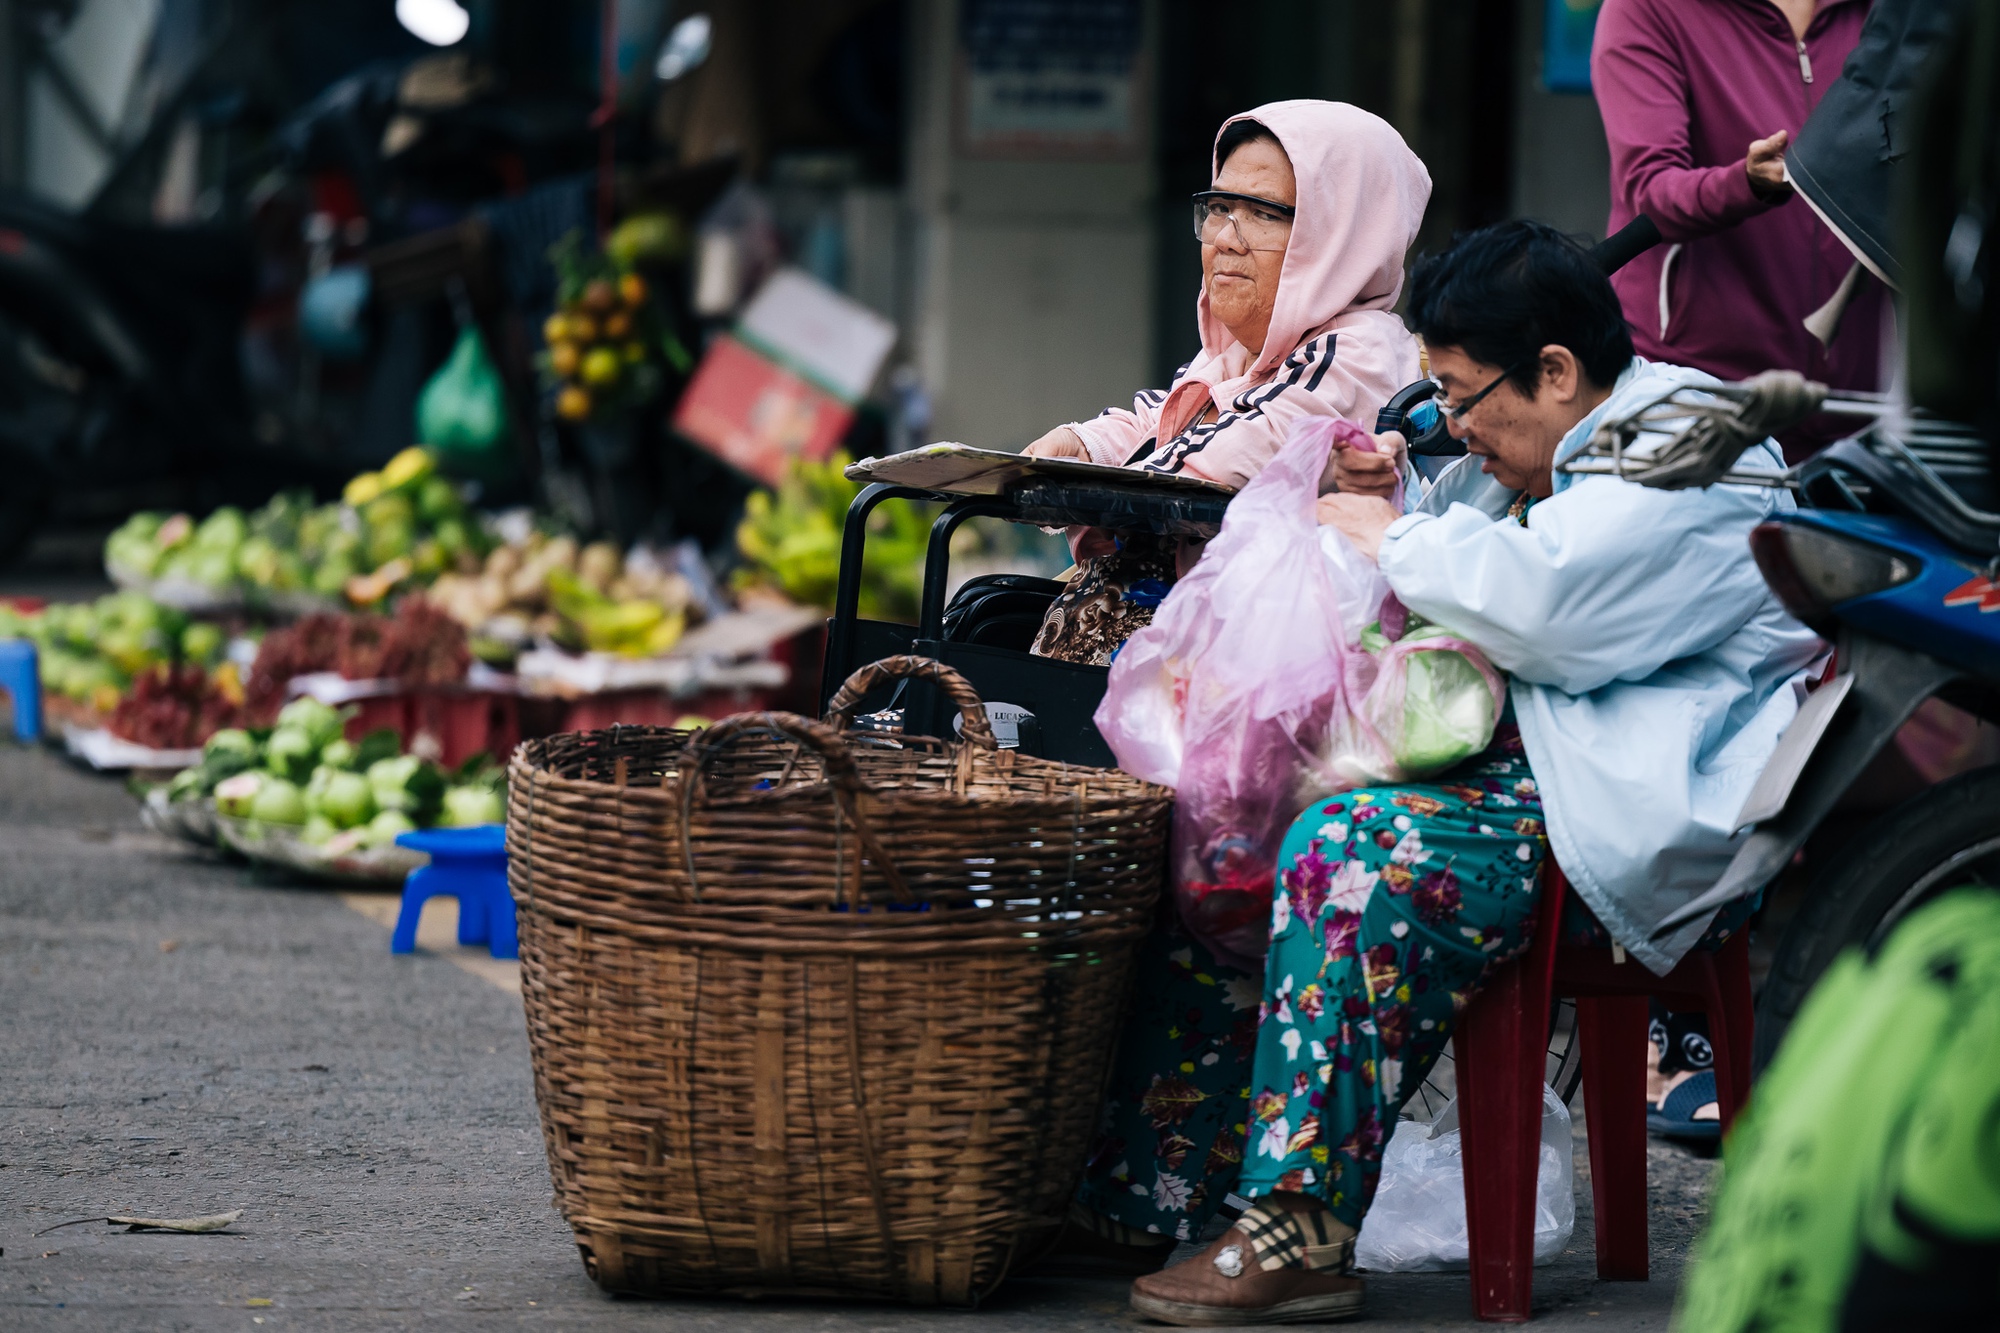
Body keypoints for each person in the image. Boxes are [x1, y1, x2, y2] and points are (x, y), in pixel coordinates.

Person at [1082, 221, 1823, 1325]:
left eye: (1462, 399)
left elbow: (1536, 605)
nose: (1453, 428)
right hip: (1535, 773)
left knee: (1345, 853)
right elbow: (1470, 558)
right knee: (1228, 835)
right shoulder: (1563, 437)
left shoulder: (1698, 452)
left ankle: (1301, 1229)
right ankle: (1150, 1191)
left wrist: (1390, 534)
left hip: (1624, 807)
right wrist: (1399, 496)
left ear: (1556, 372)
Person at [1020, 100, 1430, 665]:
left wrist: (1086, 487)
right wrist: (1084, 446)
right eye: (1220, 207)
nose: (1225, 240)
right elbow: (1164, 417)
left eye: (1263, 214)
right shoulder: (1250, 348)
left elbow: (1230, 458)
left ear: (1343, 233)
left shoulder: (1359, 351)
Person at [1592, 0, 1884, 464]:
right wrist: (1744, 184)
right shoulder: (1646, 7)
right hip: (1693, 401)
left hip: (1858, 406)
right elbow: (1649, 189)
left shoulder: (1894, 10)